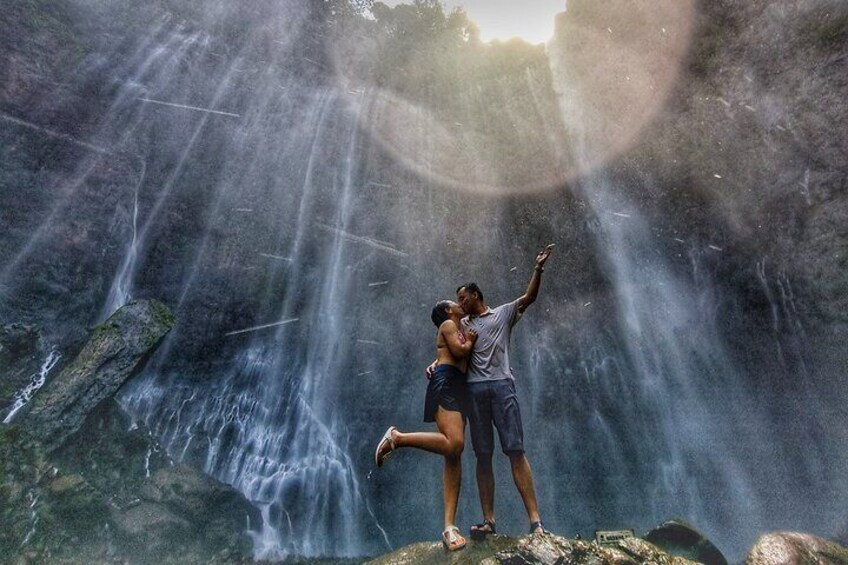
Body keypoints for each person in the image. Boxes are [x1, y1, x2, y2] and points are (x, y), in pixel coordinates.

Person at [456, 244, 554, 539]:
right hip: (474, 391)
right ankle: (489, 521)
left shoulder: (502, 314)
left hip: (501, 386)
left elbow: (530, 298)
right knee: (482, 455)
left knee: (515, 450)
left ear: (475, 295)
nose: (460, 303)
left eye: (463, 297)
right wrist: (435, 366)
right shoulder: (461, 324)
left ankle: (535, 521)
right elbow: (448, 348)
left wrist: (538, 268)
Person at [374, 300, 478, 551]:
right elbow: (460, 351)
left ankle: (449, 527)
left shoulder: (459, 326)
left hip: (458, 385)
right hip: (446, 383)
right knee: (455, 444)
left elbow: (448, 352)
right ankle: (397, 438)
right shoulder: (448, 324)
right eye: (455, 302)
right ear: (447, 310)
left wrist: (437, 359)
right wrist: (471, 342)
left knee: (453, 456)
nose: (460, 303)